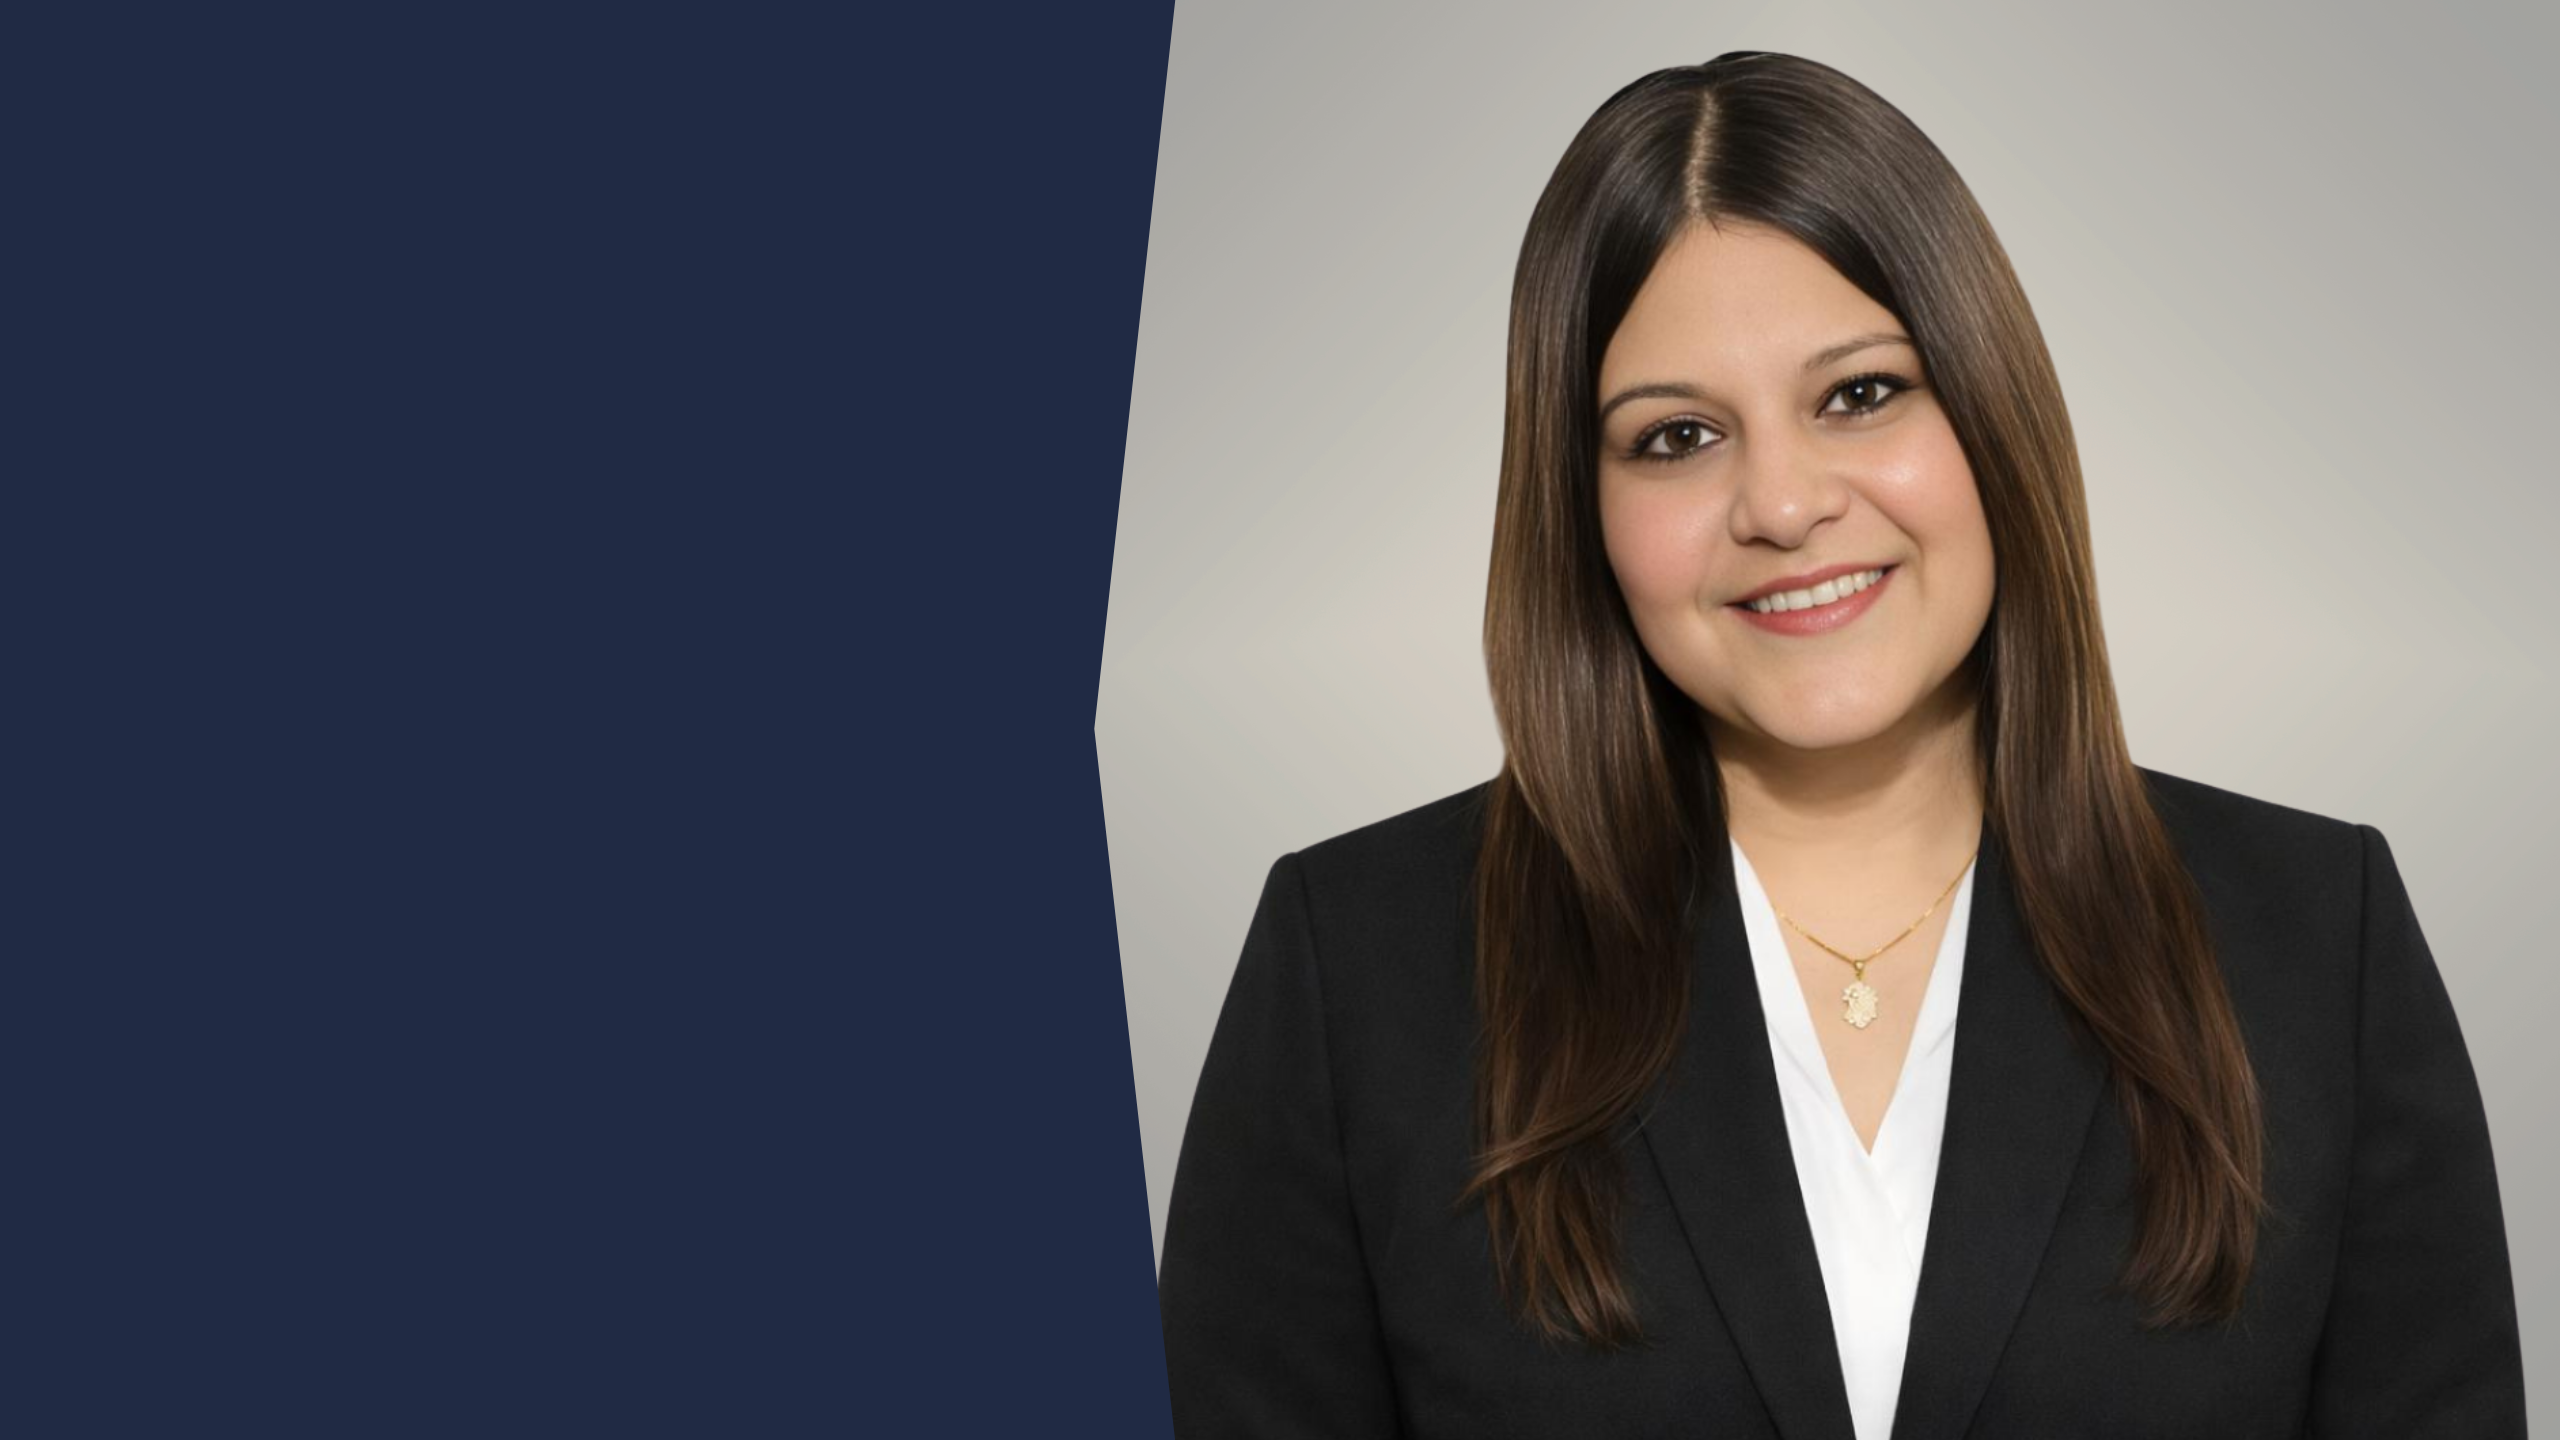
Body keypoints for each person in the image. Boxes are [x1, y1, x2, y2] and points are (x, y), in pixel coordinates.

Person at [1154, 51, 2526, 1439]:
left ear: (1991, 412)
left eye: (1860, 395)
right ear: (1583, 511)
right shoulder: (1354, 970)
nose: (1782, 503)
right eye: (1677, 436)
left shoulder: (2319, 942)